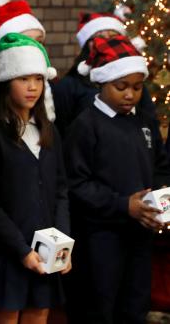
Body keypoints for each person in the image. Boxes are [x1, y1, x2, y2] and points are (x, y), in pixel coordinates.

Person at [65, 35, 170, 324]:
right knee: (100, 307)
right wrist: (125, 206)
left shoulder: (145, 121)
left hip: (140, 234)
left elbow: (161, 167)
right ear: (101, 83)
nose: (130, 95)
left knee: (135, 305)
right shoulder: (86, 126)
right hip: (100, 238)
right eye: (121, 87)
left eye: (137, 88)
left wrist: (159, 201)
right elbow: (77, 184)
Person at [0, 33, 70, 323]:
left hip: (45, 250)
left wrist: (63, 244)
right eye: (23, 79)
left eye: (39, 79)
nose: (33, 87)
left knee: (39, 313)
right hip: (8, 250)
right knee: (7, 314)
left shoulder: (49, 131)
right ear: (6, 82)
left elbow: (61, 191)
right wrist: (21, 250)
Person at [52, 12, 157, 138]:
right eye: (99, 37)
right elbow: (60, 131)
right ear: (88, 44)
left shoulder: (133, 82)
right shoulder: (69, 85)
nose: (107, 41)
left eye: (113, 36)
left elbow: (149, 122)